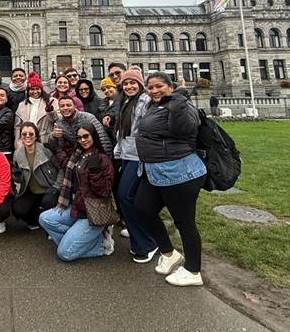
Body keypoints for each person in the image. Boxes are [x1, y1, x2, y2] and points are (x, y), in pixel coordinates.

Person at [134, 73, 206, 286]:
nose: (154, 91)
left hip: (179, 172)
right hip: (154, 170)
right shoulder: (155, 105)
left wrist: (179, 98)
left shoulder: (183, 105)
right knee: (143, 210)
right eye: (150, 87)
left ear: (171, 86)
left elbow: (182, 129)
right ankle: (169, 253)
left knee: (184, 222)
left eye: (160, 86)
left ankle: (193, 271)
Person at [39, 120, 116, 261]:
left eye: (86, 136)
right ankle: (75, 239)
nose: (83, 140)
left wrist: (95, 172)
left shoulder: (102, 159)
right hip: (78, 207)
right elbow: (67, 165)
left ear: (94, 136)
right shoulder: (78, 155)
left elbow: (104, 191)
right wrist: (57, 150)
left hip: (94, 215)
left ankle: (102, 245)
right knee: (45, 218)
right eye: (79, 137)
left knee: (65, 254)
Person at [112, 68, 159, 263]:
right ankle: (138, 232)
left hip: (139, 156)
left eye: (133, 83)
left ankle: (147, 244)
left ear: (140, 85)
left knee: (125, 196)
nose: (129, 86)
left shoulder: (145, 101)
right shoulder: (126, 102)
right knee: (132, 198)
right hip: (127, 154)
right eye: (126, 83)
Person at [11, 122, 60, 229]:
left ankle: (51, 224)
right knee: (17, 209)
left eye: (31, 134)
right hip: (31, 191)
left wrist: (57, 186)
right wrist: (17, 176)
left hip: (49, 189)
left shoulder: (46, 150)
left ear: (36, 136)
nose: (27, 136)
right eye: (24, 134)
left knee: (48, 202)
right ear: (21, 137)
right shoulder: (17, 154)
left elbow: (61, 169)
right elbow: (18, 180)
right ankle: (38, 221)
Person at [13, 72, 58, 148]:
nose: (35, 92)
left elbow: (56, 121)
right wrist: (18, 143)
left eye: (37, 89)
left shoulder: (52, 101)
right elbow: (17, 126)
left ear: (41, 89)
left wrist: (50, 111)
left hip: (45, 141)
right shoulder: (22, 105)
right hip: (26, 142)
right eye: (32, 89)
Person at [101, 62, 126, 131]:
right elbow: (118, 111)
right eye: (111, 75)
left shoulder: (131, 91)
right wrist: (110, 116)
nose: (115, 76)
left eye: (117, 73)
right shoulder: (119, 95)